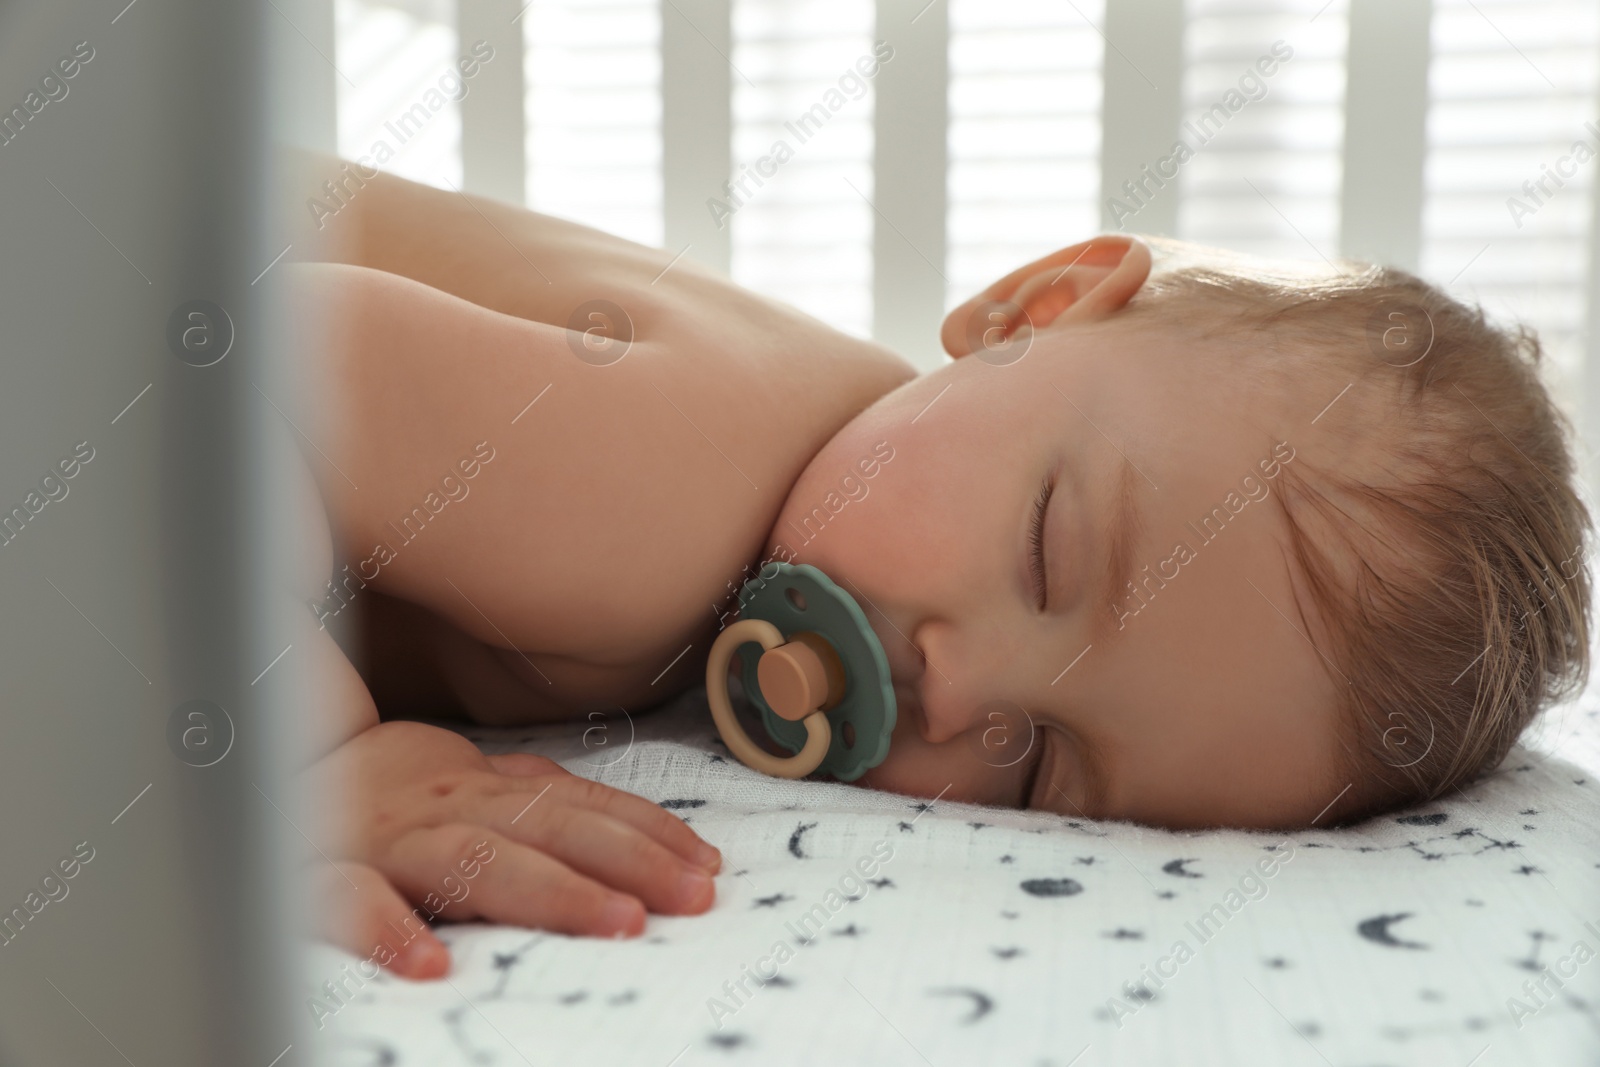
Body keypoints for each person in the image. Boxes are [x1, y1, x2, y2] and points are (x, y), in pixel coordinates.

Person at [281, 160, 1589, 980]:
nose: (958, 696)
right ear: (1031, 312)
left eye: (1040, 764)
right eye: (1044, 552)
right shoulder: (659, 500)